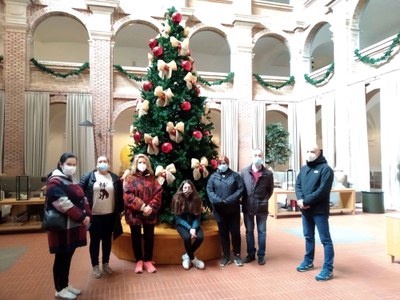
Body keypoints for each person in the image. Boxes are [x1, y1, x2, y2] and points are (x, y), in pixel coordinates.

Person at [45, 152, 91, 300]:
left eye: (74, 164)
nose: (71, 167)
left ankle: (65, 284)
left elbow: (82, 198)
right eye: (68, 164)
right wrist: (82, 216)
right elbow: (62, 203)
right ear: (60, 164)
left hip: (72, 227)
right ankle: (59, 289)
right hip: (62, 228)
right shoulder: (55, 181)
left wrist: (87, 213)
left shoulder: (71, 179)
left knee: (68, 257)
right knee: (61, 258)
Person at [295, 144, 335, 281]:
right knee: (308, 236)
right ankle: (308, 261)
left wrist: (306, 202)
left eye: (312, 151)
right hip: (305, 211)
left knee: (325, 240)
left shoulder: (326, 169)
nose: (309, 153)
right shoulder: (304, 168)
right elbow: (298, 185)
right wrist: (300, 199)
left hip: (319, 211)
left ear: (319, 152)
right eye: (307, 151)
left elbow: (323, 191)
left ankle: (328, 269)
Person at [80, 155, 124, 278]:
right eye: (100, 161)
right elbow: (79, 193)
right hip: (95, 216)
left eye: (105, 161)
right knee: (94, 242)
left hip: (110, 216)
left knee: (107, 241)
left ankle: (105, 264)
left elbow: (119, 197)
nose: (102, 163)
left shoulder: (114, 178)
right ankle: (95, 266)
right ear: (96, 164)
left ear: (109, 164)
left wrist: (119, 213)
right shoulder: (89, 177)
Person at [123, 153, 162, 274]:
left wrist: (150, 207)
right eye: (140, 162)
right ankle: (139, 260)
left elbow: (158, 193)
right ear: (135, 163)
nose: (142, 165)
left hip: (149, 212)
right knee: (135, 237)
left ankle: (148, 260)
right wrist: (142, 206)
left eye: (144, 162)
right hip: (134, 213)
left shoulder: (152, 178)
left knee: (149, 237)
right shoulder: (129, 178)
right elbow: (127, 195)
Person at [206, 155, 244, 267]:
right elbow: (209, 191)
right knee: (223, 234)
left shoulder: (235, 176)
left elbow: (240, 189)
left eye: (225, 163)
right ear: (217, 164)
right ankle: (226, 256)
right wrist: (219, 201)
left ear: (228, 164)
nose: (223, 165)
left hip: (233, 210)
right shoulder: (213, 177)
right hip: (219, 211)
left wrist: (228, 200)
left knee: (236, 233)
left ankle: (237, 255)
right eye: (221, 163)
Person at [240, 149, 274, 266]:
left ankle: (261, 255)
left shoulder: (268, 173)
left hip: (262, 207)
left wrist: (263, 200)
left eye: (259, 155)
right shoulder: (244, 172)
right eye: (255, 155)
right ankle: (250, 254)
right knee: (249, 231)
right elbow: (242, 189)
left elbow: (270, 190)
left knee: (262, 232)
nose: (257, 157)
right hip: (248, 206)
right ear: (251, 157)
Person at [171, 180, 205, 270]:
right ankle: (193, 259)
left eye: (189, 188)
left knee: (200, 237)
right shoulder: (177, 199)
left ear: (192, 189)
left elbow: (197, 217)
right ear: (182, 188)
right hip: (182, 224)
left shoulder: (196, 199)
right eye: (185, 188)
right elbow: (178, 218)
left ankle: (187, 255)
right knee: (187, 238)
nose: (187, 190)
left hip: (193, 224)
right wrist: (189, 228)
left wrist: (194, 227)